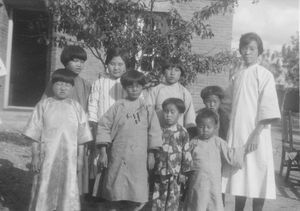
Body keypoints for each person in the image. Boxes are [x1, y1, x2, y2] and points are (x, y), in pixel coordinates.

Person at [221, 32, 281, 211]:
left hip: (257, 134)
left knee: (257, 175)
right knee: (241, 177)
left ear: (259, 51)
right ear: (240, 51)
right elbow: (226, 103)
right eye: (244, 49)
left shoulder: (264, 75)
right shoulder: (237, 76)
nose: (247, 52)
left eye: (252, 49)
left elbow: (267, 107)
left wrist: (256, 134)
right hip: (239, 133)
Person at [23, 69, 93, 211]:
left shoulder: (77, 108)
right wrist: (35, 155)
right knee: (44, 184)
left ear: (72, 88)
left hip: (69, 158)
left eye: (67, 85)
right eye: (59, 84)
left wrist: (80, 159)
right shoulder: (43, 105)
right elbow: (34, 133)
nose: (63, 88)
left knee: (68, 187)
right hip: (47, 157)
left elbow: (82, 137)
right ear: (52, 85)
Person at [95, 70, 163, 211]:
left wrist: (151, 154)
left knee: (137, 194)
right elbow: (103, 126)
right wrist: (103, 152)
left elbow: (154, 132)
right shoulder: (117, 106)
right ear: (125, 88)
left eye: (138, 86)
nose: (134, 89)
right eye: (130, 86)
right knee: (114, 191)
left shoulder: (147, 108)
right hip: (118, 155)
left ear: (142, 87)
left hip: (139, 158)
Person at [42, 45, 91, 194]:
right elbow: (44, 106)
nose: (79, 64)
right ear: (65, 61)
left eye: (82, 61)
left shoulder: (84, 84)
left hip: (77, 133)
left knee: (76, 166)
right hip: (58, 132)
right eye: (75, 60)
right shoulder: (57, 81)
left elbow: (88, 108)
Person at [88, 47, 133, 196]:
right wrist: (92, 123)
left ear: (126, 66)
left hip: (122, 130)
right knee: (100, 160)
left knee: (118, 159)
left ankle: (118, 192)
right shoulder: (100, 82)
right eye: (113, 63)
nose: (116, 67)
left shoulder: (130, 84)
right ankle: (97, 194)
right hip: (103, 129)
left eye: (120, 64)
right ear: (107, 64)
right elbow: (93, 104)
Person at [184, 109, 245, 211]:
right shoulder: (193, 143)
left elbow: (231, 156)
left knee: (214, 204)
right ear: (196, 126)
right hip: (198, 182)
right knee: (198, 203)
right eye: (201, 127)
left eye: (209, 127)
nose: (205, 130)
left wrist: (244, 150)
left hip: (214, 183)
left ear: (215, 127)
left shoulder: (219, 142)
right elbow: (186, 160)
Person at [151, 98, 192, 211]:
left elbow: (186, 153)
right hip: (160, 172)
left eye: (172, 112)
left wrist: (184, 172)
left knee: (173, 199)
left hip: (175, 173)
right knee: (158, 197)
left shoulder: (182, 132)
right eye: (166, 111)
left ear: (179, 114)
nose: (168, 115)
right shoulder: (158, 130)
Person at [146, 58, 196, 130]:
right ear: (164, 72)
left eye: (176, 70)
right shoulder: (155, 90)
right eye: (169, 69)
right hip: (158, 131)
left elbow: (190, 118)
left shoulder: (184, 93)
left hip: (177, 134)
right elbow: (148, 112)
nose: (172, 73)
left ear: (181, 73)